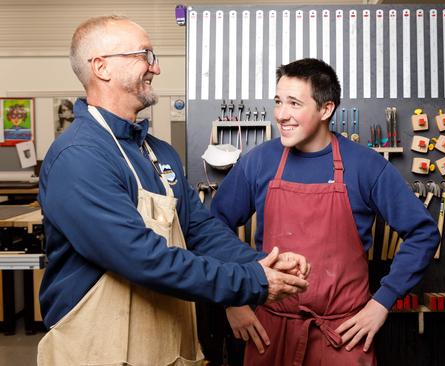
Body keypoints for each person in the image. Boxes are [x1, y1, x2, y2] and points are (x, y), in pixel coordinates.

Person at [37, 16, 310, 366]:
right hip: (97, 351)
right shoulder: (79, 157)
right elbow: (141, 257)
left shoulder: (159, 152)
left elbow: (199, 230)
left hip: (167, 347)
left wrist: (262, 262)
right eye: (145, 55)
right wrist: (252, 280)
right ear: (101, 67)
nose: (157, 68)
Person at [210, 58, 438, 365]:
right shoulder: (259, 162)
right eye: (278, 102)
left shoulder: (365, 165)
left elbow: (423, 233)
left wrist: (381, 303)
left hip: (343, 334)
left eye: (294, 103)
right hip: (270, 330)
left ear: (326, 109)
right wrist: (231, 299)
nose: (281, 115)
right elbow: (212, 227)